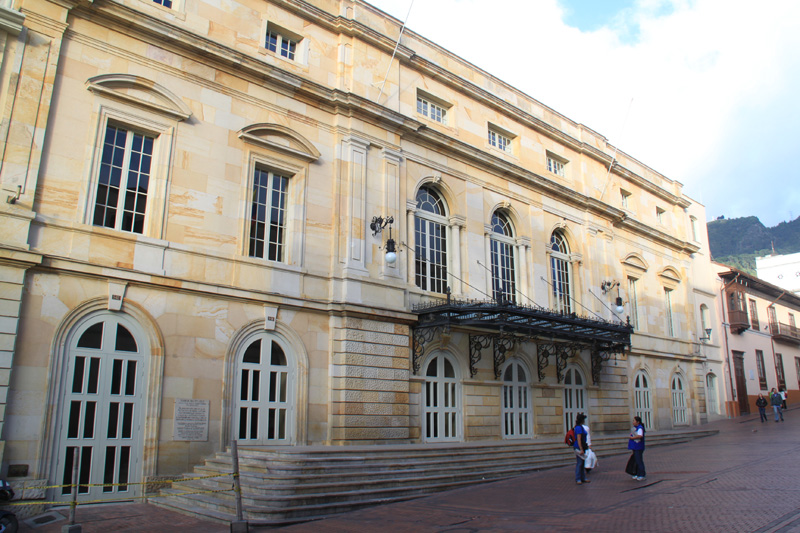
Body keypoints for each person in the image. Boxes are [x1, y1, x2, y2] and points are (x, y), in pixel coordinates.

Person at [573, 413, 590, 485]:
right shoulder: (578, 428)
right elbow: (579, 439)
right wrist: (581, 449)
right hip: (579, 447)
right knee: (579, 463)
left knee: (582, 463)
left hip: (582, 446)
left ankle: (583, 477)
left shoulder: (580, 427)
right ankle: (578, 478)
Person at [628, 415, 646, 481]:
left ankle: (642, 475)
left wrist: (632, 438)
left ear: (638, 422)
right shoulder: (635, 428)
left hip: (638, 447)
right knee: (636, 461)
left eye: (634, 421)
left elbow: (640, 436)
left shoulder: (640, 428)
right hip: (635, 447)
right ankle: (637, 474)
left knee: (639, 461)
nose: (633, 422)